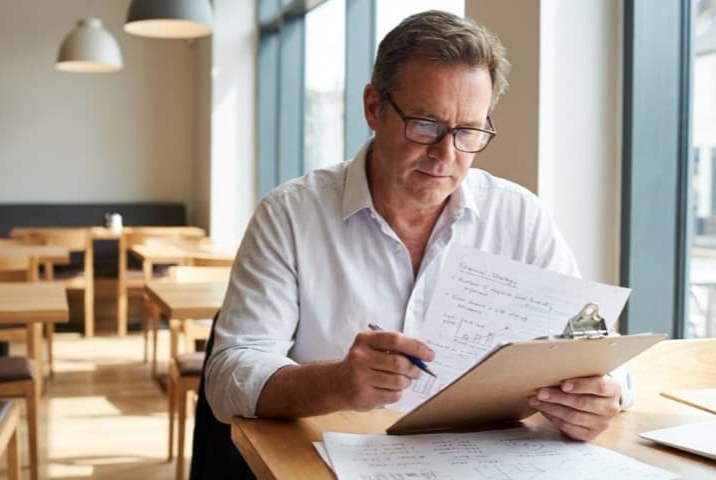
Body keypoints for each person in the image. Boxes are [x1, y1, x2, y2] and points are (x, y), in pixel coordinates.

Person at [205, 10, 626, 446]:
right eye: (425, 125)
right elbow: (227, 375)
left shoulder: (519, 216)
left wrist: (603, 394)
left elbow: (598, 346)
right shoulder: (290, 215)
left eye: (468, 131)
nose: (445, 155)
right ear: (373, 107)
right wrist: (335, 383)